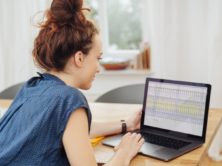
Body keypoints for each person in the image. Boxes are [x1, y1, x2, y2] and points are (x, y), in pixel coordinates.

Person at [0, 0, 144, 165]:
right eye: (98, 58)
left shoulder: (32, 87)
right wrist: (124, 153)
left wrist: (127, 124)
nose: (99, 68)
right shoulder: (70, 99)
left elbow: (73, 131)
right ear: (79, 58)